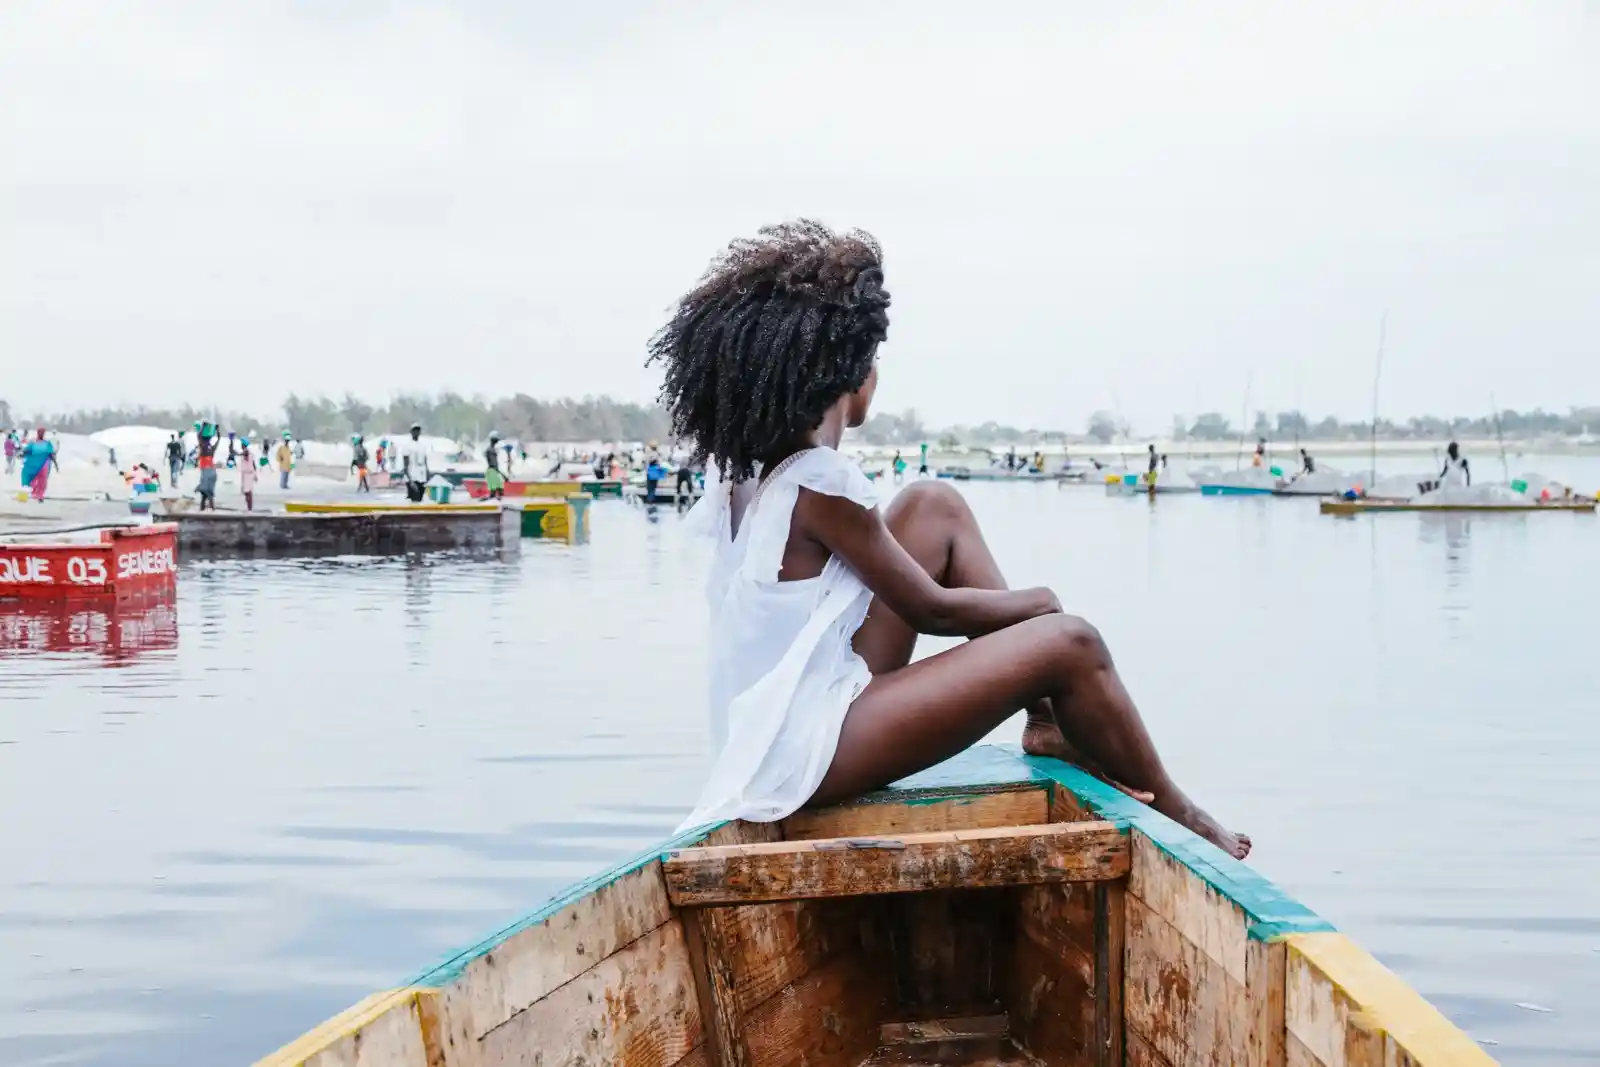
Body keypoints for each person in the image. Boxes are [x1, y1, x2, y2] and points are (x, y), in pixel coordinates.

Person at [651, 220, 1248, 858]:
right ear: (850, 374)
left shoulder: (745, 466)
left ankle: (1048, 720)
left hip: (779, 722)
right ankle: (1178, 807)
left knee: (934, 506)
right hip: (801, 754)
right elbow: (930, 608)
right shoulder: (819, 481)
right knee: (1071, 641)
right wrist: (1039, 604)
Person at [18, 428, 58, 502]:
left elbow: (25, 451)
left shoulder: (35, 443)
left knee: (36, 481)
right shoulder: (46, 443)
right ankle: (38, 495)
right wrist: (56, 464)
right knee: (40, 481)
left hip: (37, 466)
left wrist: (21, 455)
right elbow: (51, 455)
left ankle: (37, 494)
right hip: (41, 466)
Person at [401, 423, 429, 502]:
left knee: (419, 500)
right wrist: (410, 481)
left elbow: (425, 462)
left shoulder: (422, 446)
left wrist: (428, 476)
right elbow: (405, 465)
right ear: (411, 432)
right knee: (414, 501)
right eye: (414, 430)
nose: (416, 432)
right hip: (412, 477)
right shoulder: (407, 446)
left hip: (422, 477)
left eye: (418, 430)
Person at [195, 422, 219, 510]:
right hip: (212, 472)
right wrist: (217, 430)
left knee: (205, 492)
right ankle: (211, 510)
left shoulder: (203, 447)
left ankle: (207, 511)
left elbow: (199, 436)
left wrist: (202, 427)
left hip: (206, 471)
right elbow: (218, 439)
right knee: (208, 494)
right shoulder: (211, 448)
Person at [484, 432, 506, 500]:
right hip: (492, 471)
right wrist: (503, 475)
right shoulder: (490, 450)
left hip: (493, 471)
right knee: (496, 491)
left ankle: (497, 504)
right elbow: (493, 464)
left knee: (499, 491)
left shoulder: (491, 449)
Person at [239, 440, 260, 511]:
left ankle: (249, 508)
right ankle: (249, 508)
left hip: (248, 474)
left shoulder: (246, 452)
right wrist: (255, 474)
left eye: (241, 444)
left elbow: (245, 454)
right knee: (247, 492)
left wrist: (255, 475)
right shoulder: (249, 453)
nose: (240, 445)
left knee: (248, 492)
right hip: (247, 474)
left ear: (244, 445)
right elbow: (254, 465)